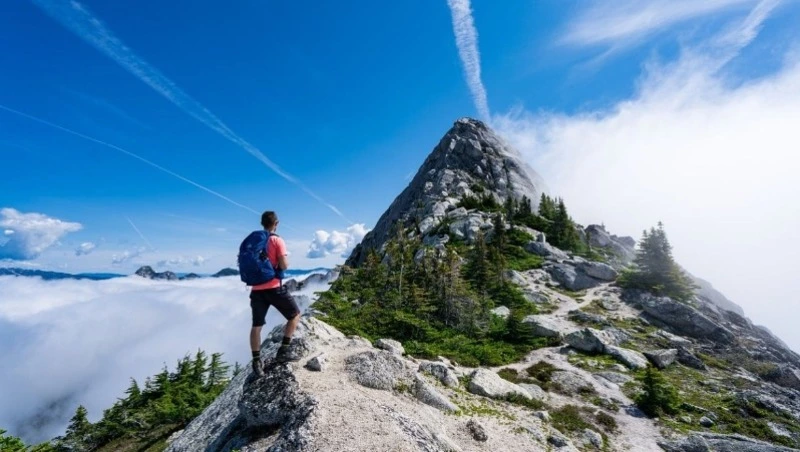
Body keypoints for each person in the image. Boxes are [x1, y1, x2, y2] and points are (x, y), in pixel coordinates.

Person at [249, 211, 301, 376]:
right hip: (273, 287)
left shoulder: (253, 242)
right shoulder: (277, 240)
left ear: (262, 223)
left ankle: (257, 361)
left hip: (256, 289)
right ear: (276, 223)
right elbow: (284, 265)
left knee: (256, 326)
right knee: (295, 315)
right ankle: (284, 350)